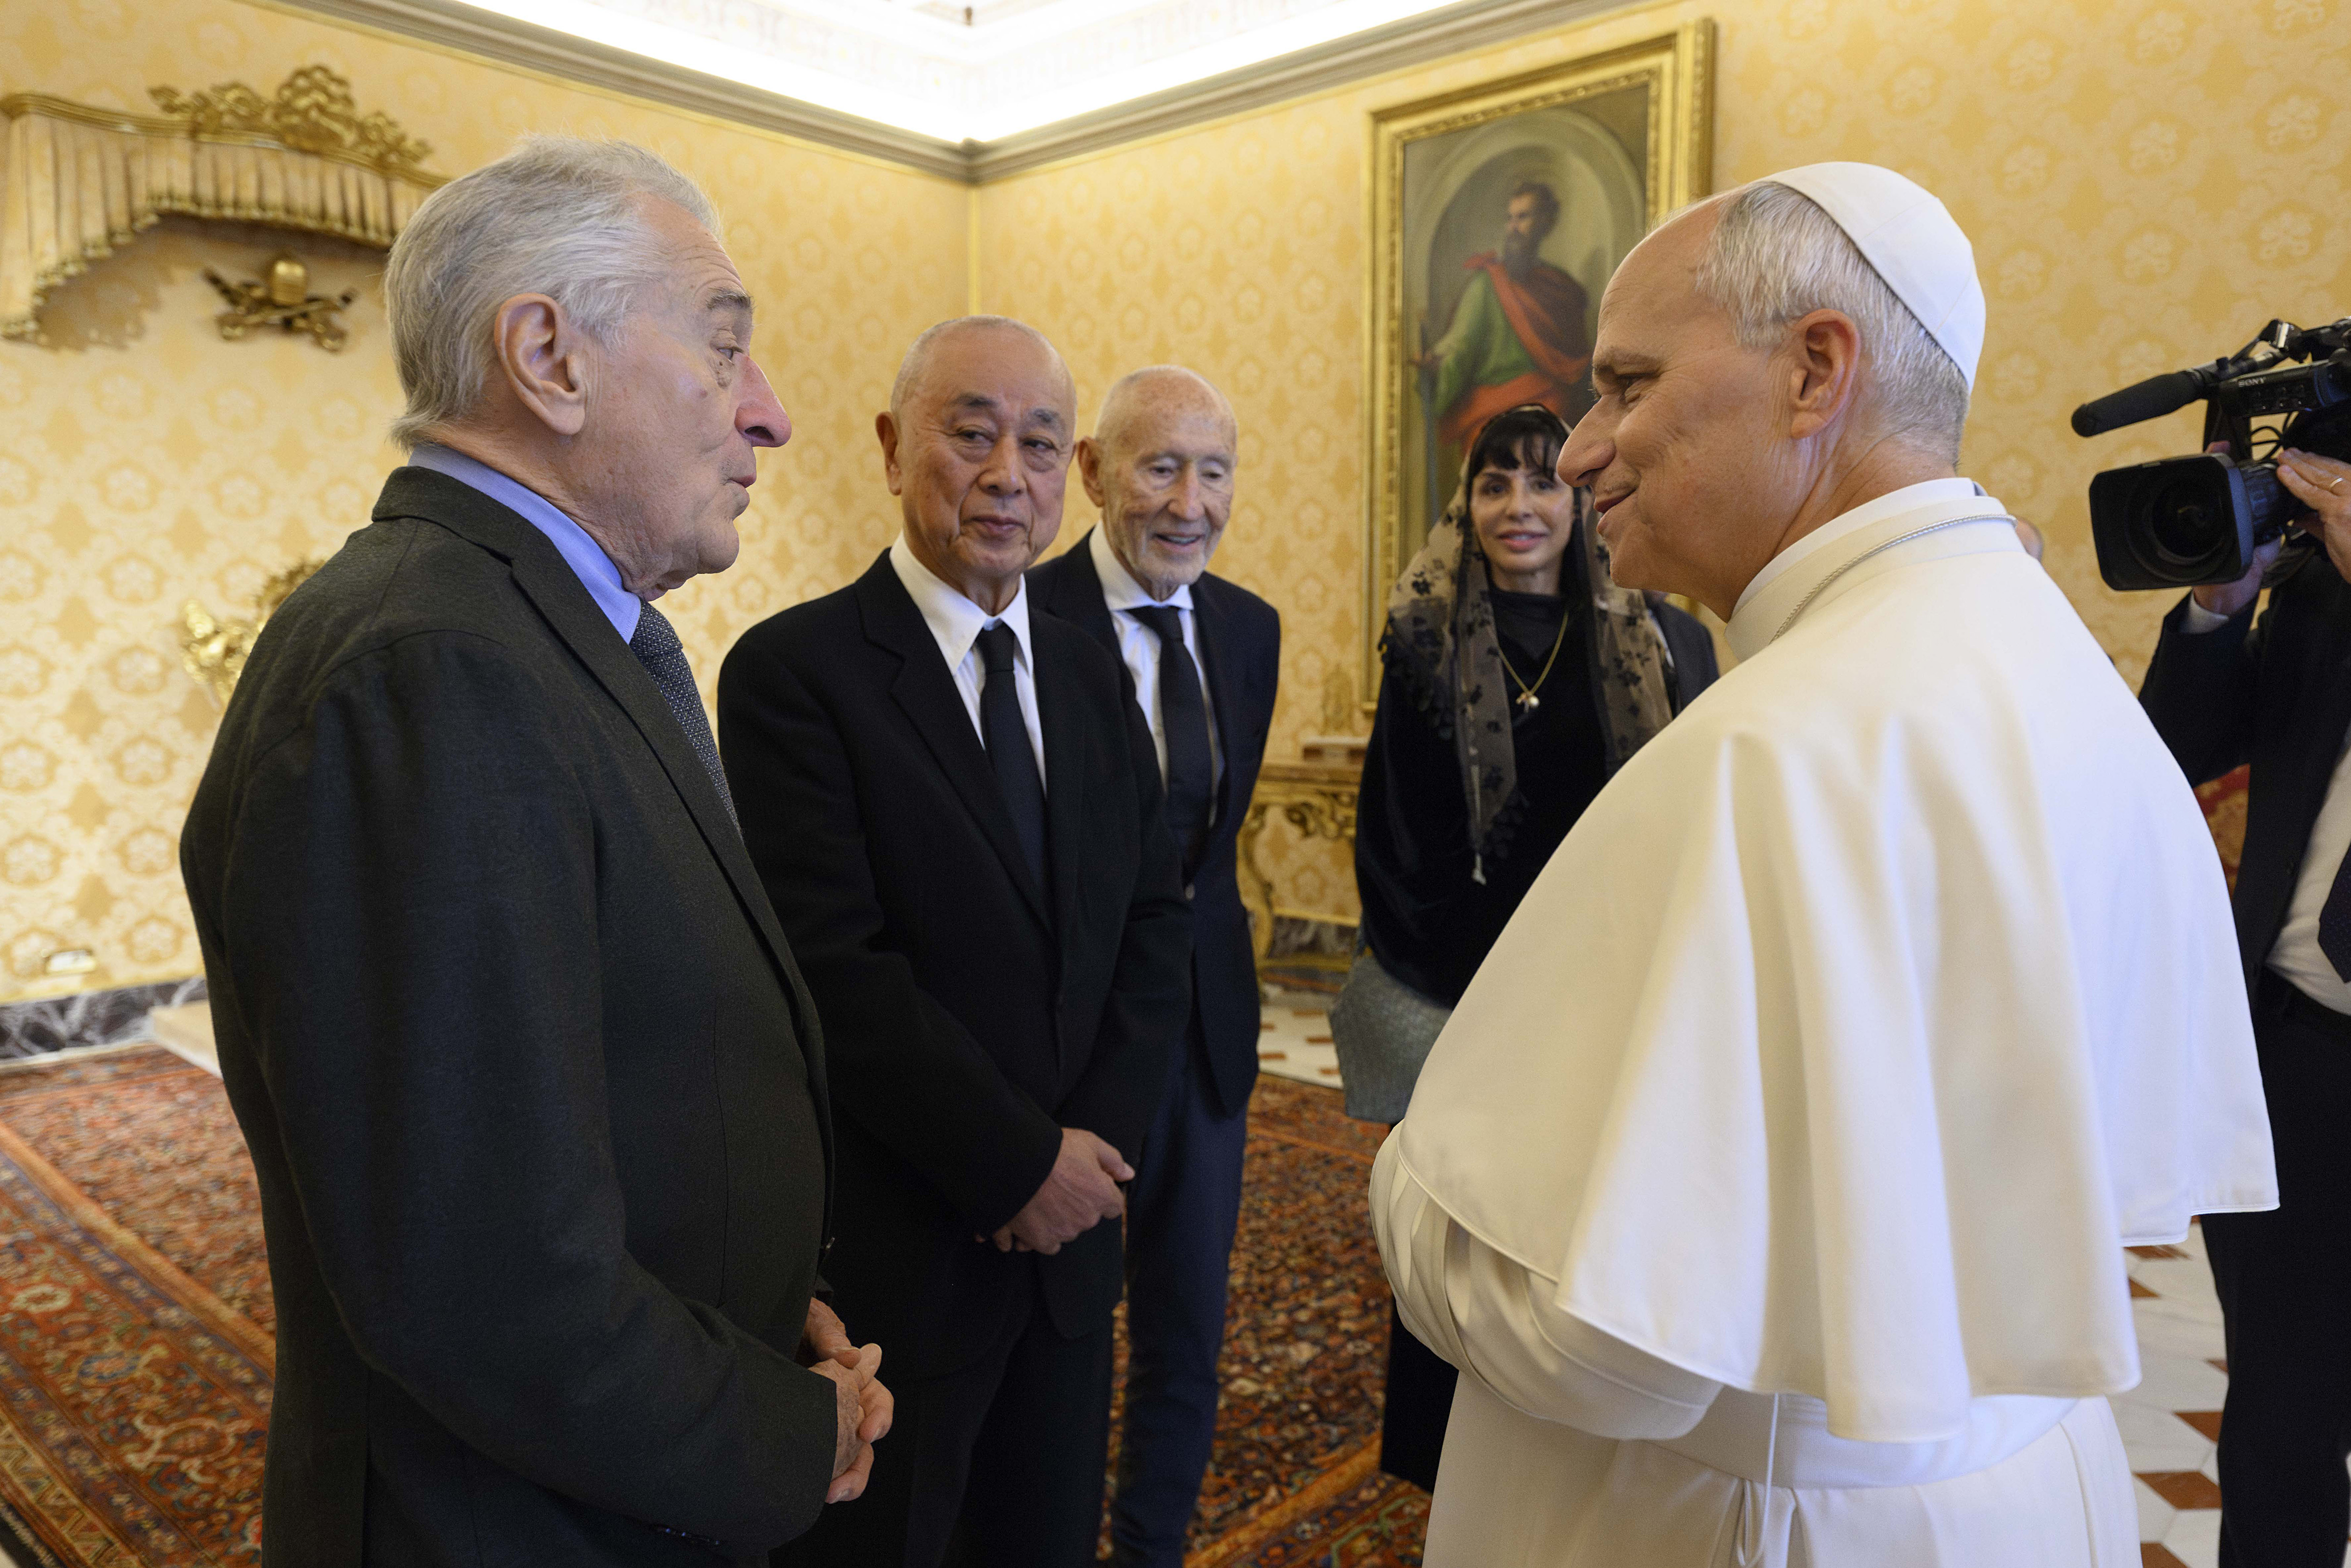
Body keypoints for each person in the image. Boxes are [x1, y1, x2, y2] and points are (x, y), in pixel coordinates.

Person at [1369, 163, 2278, 1565]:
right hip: (2019, 1493)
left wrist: (1405, 1181)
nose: (1580, 451)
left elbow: (1602, 1338)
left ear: (1815, 371)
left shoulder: (1772, 749)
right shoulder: (2054, 662)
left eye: (1625, 383)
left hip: (1755, 1519)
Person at [178, 137, 885, 1566]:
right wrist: (785, 1432)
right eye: (725, 347)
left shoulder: (535, 635)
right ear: (549, 356)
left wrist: (756, 1307)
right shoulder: (433, 671)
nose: (771, 414)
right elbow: (478, 1268)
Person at [718, 316, 1193, 1568]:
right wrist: (1012, 1163)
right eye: (970, 432)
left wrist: (1086, 1162)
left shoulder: (1095, 670)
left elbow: (1151, 918)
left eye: (1041, 443)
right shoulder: (797, 673)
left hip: (1072, 1248)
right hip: (906, 1256)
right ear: (891, 446)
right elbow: (836, 968)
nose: (1006, 474)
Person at [1352, 401, 1716, 1490]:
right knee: (1468, 1228)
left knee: (1602, 1231)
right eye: (1493, 484)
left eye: (1542, 483)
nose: (1518, 507)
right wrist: (1501, 999)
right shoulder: (1421, 636)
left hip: (1624, 1000)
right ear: (1465, 504)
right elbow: (1393, 847)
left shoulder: (1663, 635)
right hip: (1471, 1006)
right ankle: (1448, 1468)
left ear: (1579, 499)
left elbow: (1697, 816)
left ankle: (1591, 1450)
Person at [1026, 366, 1280, 1568]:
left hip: (1208, 1038)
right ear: (1092, 472)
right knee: (1063, 1327)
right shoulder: (1020, 616)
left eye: (1214, 469)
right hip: (1067, 1049)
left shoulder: (1249, 628)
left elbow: (1213, 848)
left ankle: (1153, 1543)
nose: (1190, 502)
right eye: (1160, 466)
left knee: (1189, 1319)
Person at [2139, 434, 2351, 1568]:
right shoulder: (2320, 585)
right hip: (2294, 1046)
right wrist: (2220, 606)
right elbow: (2182, 746)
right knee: (2280, 1413)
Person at [1420, 180, 1595, 453]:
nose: (1513, 227)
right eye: (1510, 218)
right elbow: (1461, 344)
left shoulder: (1562, 288)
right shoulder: (1487, 284)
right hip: (1492, 414)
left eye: (1523, 217)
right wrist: (1438, 367)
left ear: (1546, 223)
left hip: (1550, 410)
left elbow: (1577, 365)